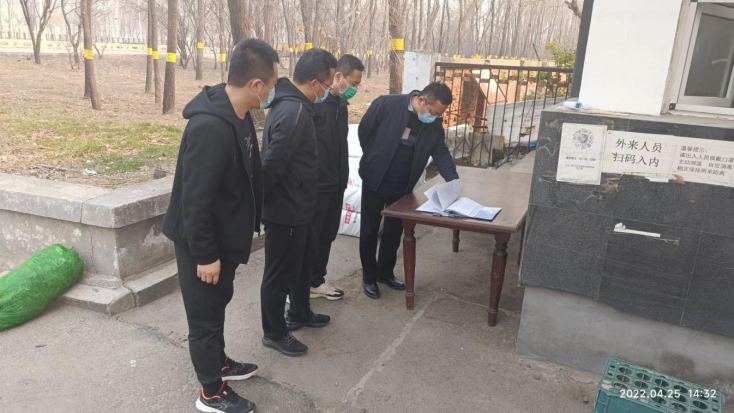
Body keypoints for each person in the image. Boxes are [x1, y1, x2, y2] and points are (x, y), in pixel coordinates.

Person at [163, 38, 279, 413]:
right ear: (256, 85)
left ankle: (219, 363)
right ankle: (210, 393)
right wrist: (206, 255)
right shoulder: (210, 127)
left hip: (224, 237)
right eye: (272, 83)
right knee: (204, 317)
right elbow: (195, 200)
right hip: (203, 243)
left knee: (216, 307)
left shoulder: (238, 115)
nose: (273, 91)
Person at [260, 48, 337, 357]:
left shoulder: (298, 107)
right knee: (279, 275)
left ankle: (300, 312)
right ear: (314, 82)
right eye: (328, 84)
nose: (329, 91)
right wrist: (268, 206)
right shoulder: (292, 111)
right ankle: (275, 332)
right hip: (286, 211)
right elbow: (271, 165)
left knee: (303, 264)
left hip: (301, 206)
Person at [357, 82, 459, 299]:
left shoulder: (433, 123)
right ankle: (369, 277)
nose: (434, 117)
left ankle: (385, 273)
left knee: (394, 231)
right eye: (433, 112)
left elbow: (440, 151)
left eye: (439, 115)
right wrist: (374, 157)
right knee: (369, 230)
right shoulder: (386, 104)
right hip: (376, 179)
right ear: (421, 100)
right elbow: (364, 131)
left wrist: (453, 181)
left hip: (403, 185)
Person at [305, 54, 364, 300]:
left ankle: (316, 281)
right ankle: (297, 288)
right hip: (317, 185)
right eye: (354, 83)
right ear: (338, 76)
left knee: (327, 235)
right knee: (310, 238)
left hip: (336, 183)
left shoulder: (340, 105)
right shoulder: (316, 104)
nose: (356, 89)